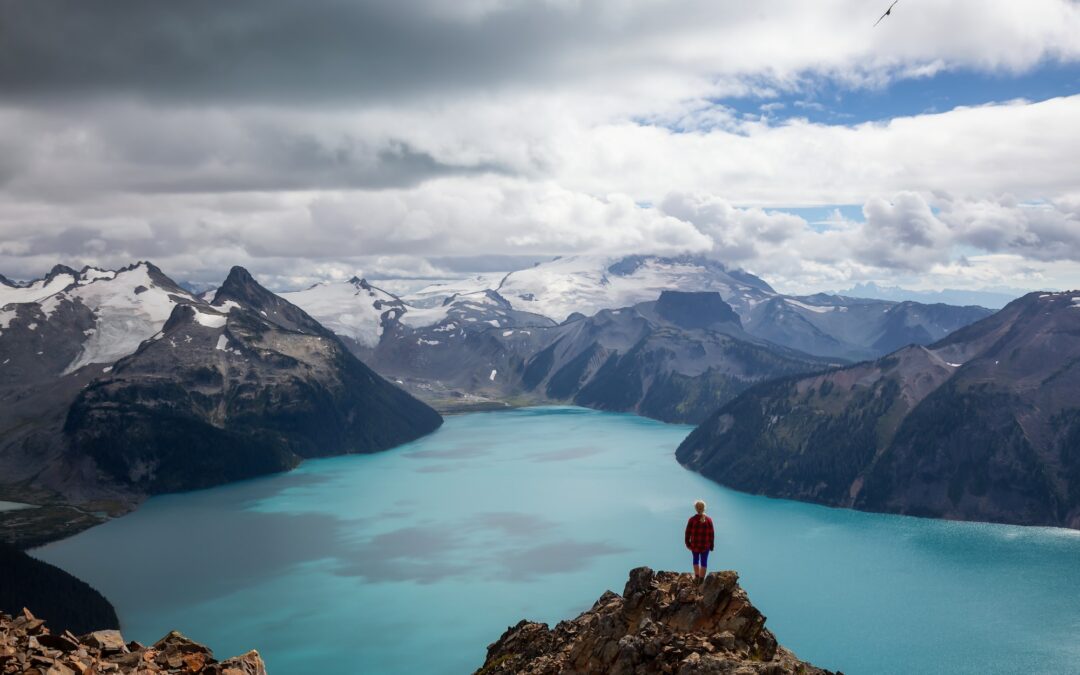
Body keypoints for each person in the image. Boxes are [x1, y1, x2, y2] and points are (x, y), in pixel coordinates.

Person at [684, 499, 714, 580]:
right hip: (705, 546)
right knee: (704, 562)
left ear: (696, 508)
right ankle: (701, 580)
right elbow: (712, 534)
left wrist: (688, 544)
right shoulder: (709, 520)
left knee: (695, 560)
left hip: (694, 545)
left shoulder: (692, 520)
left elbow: (687, 533)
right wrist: (711, 546)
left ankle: (696, 577)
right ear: (704, 508)